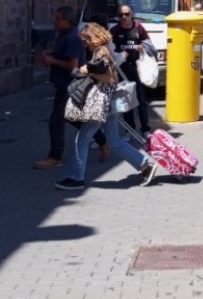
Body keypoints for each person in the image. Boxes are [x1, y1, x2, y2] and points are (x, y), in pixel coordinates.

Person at [55, 23, 157, 190]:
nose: (84, 44)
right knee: (114, 141)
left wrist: (86, 69)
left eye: (85, 40)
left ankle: (76, 178)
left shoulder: (100, 51)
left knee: (82, 139)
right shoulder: (106, 48)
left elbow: (107, 76)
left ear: (92, 38)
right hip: (108, 101)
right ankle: (145, 165)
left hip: (101, 102)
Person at [35, 6, 86, 169]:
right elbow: (63, 53)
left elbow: (72, 65)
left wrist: (52, 61)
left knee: (56, 121)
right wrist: (51, 53)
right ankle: (101, 139)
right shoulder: (64, 35)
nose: (55, 22)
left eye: (58, 19)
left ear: (67, 21)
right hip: (65, 83)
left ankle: (55, 156)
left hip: (68, 84)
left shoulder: (71, 37)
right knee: (71, 117)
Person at [109, 5, 153, 137]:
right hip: (122, 69)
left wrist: (142, 47)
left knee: (141, 100)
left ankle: (145, 129)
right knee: (126, 100)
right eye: (121, 15)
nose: (124, 17)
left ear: (131, 14)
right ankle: (130, 130)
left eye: (126, 14)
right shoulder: (115, 30)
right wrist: (118, 55)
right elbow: (109, 49)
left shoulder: (138, 27)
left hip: (137, 67)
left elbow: (150, 45)